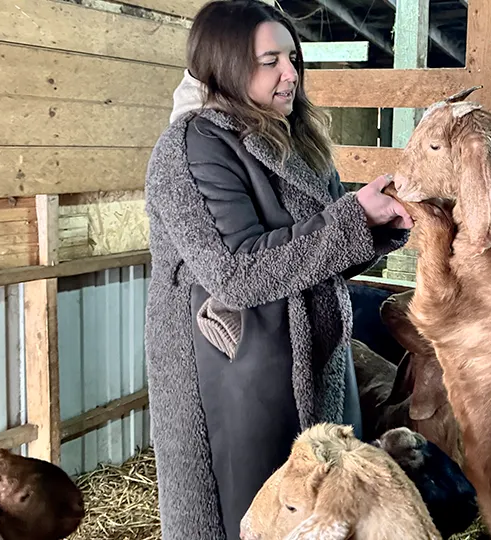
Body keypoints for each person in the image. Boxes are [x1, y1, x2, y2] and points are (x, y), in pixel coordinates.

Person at [142, 2, 413, 539]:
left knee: (324, 510)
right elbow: (235, 272)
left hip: (312, 359)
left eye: (292, 57)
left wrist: (376, 224)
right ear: (226, 64)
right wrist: (351, 218)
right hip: (231, 369)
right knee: (248, 514)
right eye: (271, 61)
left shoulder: (297, 141)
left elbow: (321, 253)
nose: (290, 73)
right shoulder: (192, 147)